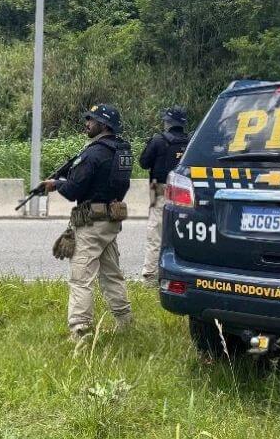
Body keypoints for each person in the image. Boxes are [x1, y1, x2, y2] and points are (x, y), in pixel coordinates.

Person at [40, 104, 134, 341]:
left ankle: (80, 330)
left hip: (91, 224)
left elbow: (73, 190)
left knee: (81, 278)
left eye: (91, 120)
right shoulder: (123, 150)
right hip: (111, 221)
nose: (87, 123)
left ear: (104, 125)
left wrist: (55, 184)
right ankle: (125, 322)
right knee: (112, 274)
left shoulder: (93, 153)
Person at [139, 106, 189, 284]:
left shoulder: (158, 140)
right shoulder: (191, 141)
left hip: (161, 193)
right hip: (185, 194)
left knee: (155, 235)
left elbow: (143, 163)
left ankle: (151, 276)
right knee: (181, 236)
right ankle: (182, 274)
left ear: (168, 122)